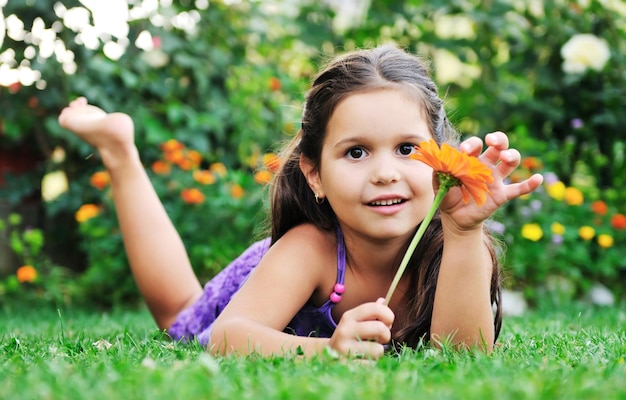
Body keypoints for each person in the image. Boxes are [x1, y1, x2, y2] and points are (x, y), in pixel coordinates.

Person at [58, 44, 542, 359]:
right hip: (253, 287)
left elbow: (462, 359)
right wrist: (328, 350)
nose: (386, 172)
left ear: (440, 161)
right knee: (177, 315)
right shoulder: (311, 247)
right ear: (315, 175)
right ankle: (121, 151)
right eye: (356, 152)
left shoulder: (460, 244)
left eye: (407, 148)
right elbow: (227, 337)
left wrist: (463, 233)